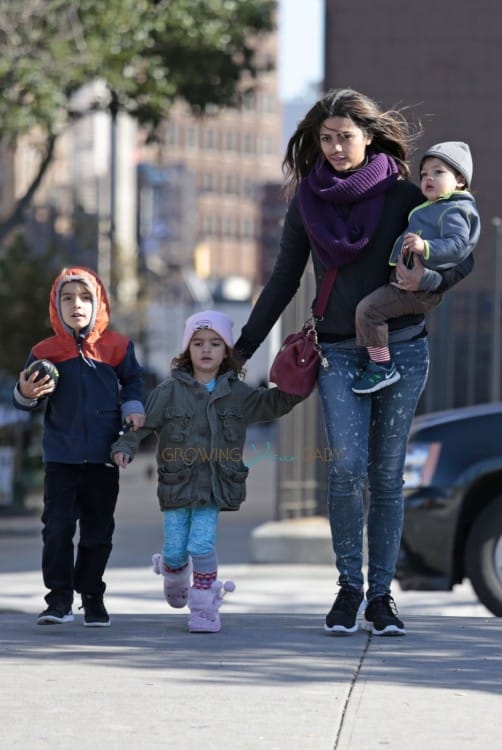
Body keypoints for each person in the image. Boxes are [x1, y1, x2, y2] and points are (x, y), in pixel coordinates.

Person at [234, 89, 474, 636]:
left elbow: (461, 256)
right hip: (338, 351)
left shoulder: (406, 198)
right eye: (327, 138)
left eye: (346, 136)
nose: (336, 147)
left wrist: (428, 278)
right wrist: (243, 349)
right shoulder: (307, 202)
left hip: (405, 349)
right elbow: (283, 280)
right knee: (345, 469)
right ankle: (349, 587)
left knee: (387, 476)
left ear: (368, 137)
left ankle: (382, 596)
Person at [111, 310, 303, 633]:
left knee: (201, 544)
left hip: (213, 487)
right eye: (198, 343)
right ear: (187, 350)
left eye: (215, 343)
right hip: (176, 486)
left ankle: (204, 605)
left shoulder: (237, 394)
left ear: (226, 351)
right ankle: (172, 573)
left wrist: (300, 380)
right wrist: (125, 447)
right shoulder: (169, 392)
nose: (206, 349)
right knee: (175, 550)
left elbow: (273, 404)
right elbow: (144, 425)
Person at [13, 266, 145, 627]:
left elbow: (133, 382)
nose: (76, 304)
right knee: (56, 529)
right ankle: (58, 600)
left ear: (98, 302)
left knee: (98, 531)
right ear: (57, 305)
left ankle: (92, 594)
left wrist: (134, 408)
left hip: (104, 457)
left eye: (85, 297)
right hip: (61, 458)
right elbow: (26, 397)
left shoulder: (117, 347)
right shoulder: (44, 352)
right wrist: (25, 393)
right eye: (67, 298)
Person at [352, 141, 480, 394]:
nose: (428, 178)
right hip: (410, 284)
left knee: (368, 311)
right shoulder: (435, 206)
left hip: (419, 290)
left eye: (438, 172)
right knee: (369, 310)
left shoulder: (454, 209)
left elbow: (459, 245)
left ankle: (381, 366)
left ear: (460, 181)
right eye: (424, 174)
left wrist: (426, 248)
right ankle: (379, 360)